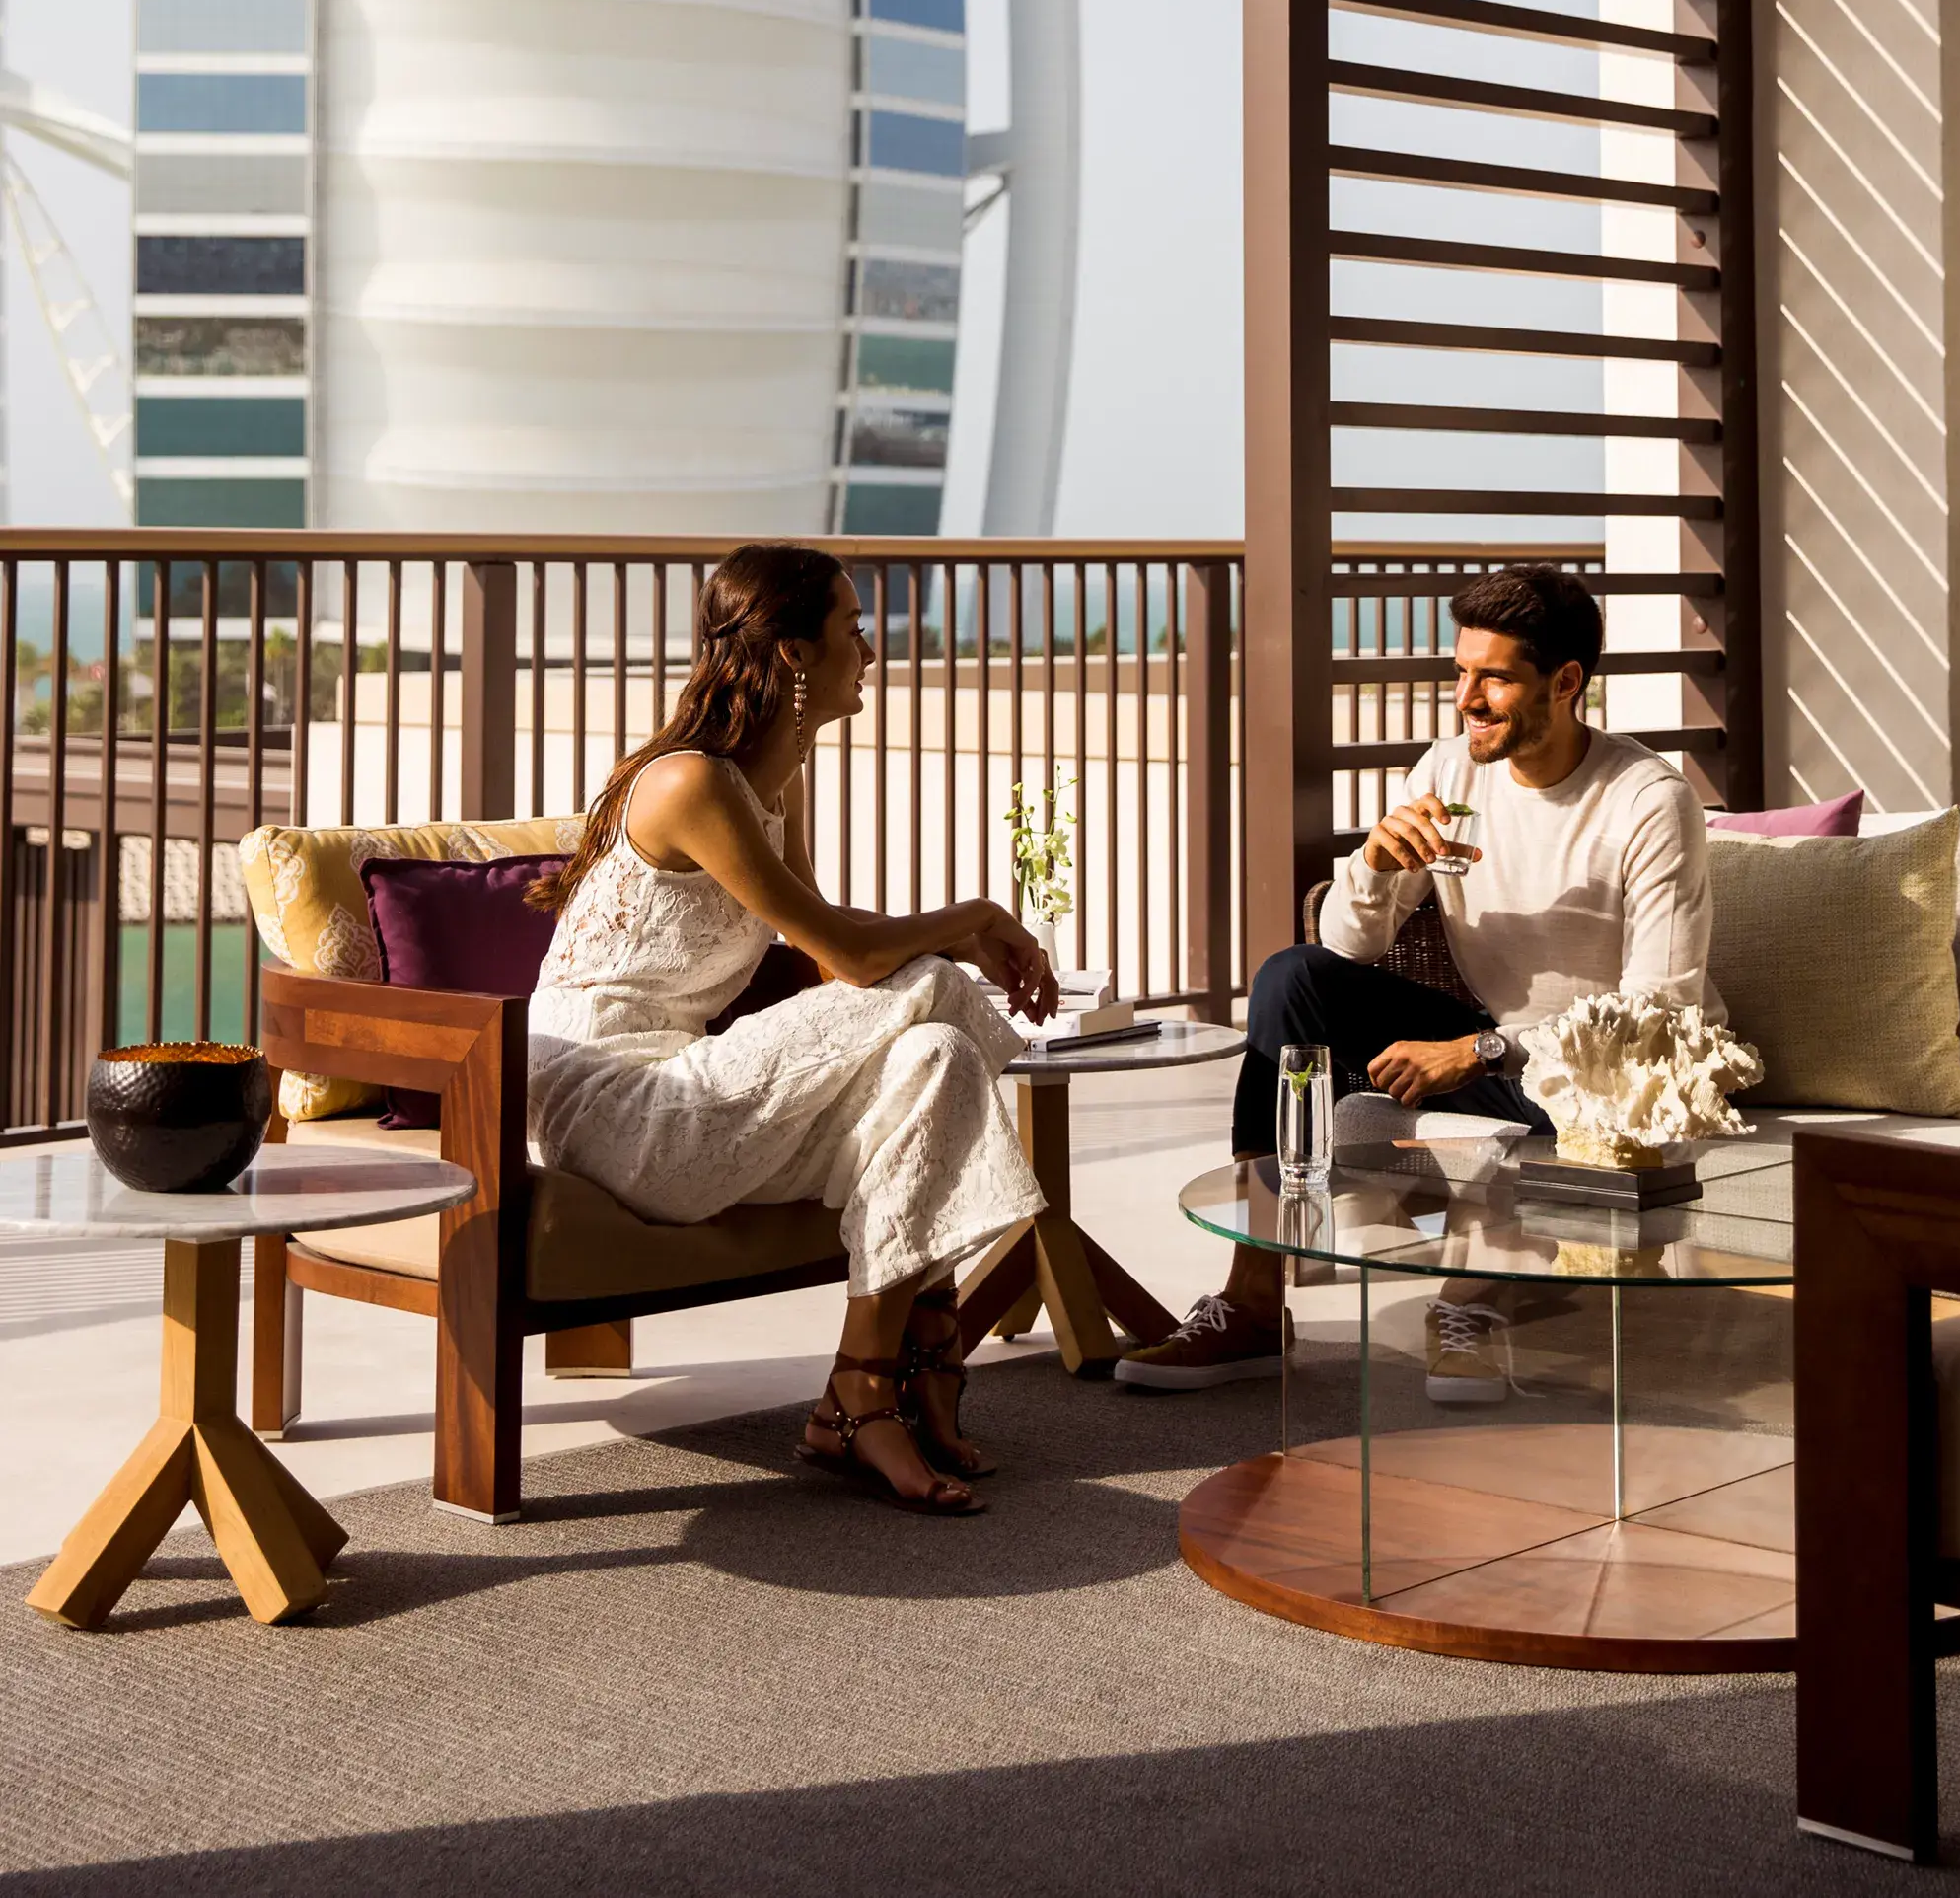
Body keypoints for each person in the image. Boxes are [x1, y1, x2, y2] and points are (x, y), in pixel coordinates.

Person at [527, 542, 1058, 1517]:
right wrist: (975, 920)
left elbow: (825, 959)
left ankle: (858, 1389)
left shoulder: (773, 784)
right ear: (795, 657)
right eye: (852, 629)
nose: (869, 648)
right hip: (613, 1108)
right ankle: (931, 1340)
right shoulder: (689, 784)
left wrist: (953, 949)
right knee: (935, 986)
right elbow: (852, 960)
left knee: (934, 1054)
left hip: (690, 1087)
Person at [1116, 562, 1715, 1404]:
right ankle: (1254, 1304)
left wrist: (1476, 1051)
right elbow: (1348, 944)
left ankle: (1471, 1302)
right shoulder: (1449, 770)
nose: (1467, 698)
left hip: (1608, 1081)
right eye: (1461, 672)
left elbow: (1663, 1014)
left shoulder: (1646, 802)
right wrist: (1373, 861)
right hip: (1497, 1051)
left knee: (1561, 1078)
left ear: (1567, 682)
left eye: (1495, 678)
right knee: (1289, 978)